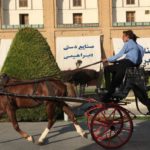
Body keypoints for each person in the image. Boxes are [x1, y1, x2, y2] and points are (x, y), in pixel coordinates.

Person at [101, 30, 145, 102]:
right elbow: (139, 60)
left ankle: (109, 89)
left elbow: (119, 54)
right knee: (116, 65)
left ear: (127, 37)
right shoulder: (139, 47)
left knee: (107, 69)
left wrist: (107, 59)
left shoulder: (129, 43)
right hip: (132, 65)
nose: (122, 38)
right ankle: (115, 87)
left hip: (126, 63)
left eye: (123, 36)